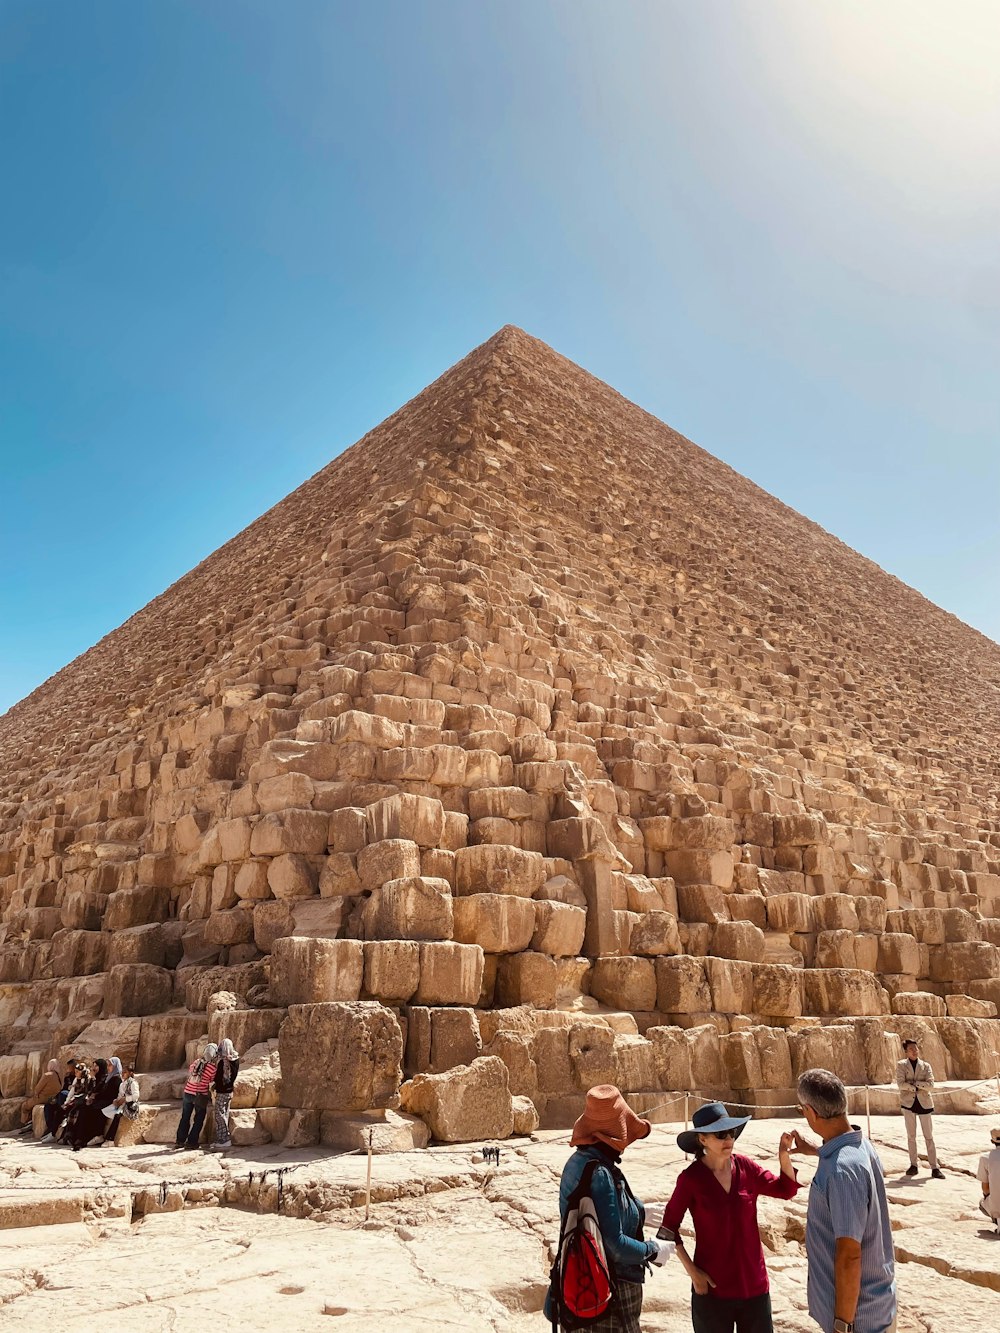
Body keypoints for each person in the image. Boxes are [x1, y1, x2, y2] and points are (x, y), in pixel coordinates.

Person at [658, 1101, 799, 1333]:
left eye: (731, 1133)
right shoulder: (690, 1179)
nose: (728, 1140)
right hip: (712, 1290)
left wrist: (783, 1154)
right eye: (720, 1134)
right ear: (702, 1139)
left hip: (754, 1286)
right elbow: (667, 1229)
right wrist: (694, 1274)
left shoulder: (745, 1167)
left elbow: (785, 1190)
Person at [547, 1084, 671, 1332]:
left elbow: (600, 1213)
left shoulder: (578, 1162)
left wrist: (640, 1212)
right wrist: (652, 1250)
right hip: (608, 1290)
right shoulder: (599, 1173)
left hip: (581, 1283)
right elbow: (615, 1246)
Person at [796, 1068, 896, 1333]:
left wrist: (843, 1325)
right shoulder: (862, 1146)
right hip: (876, 1307)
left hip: (858, 1321)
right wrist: (819, 1151)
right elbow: (846, 1162)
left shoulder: (841, 1172)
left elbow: (849, 1256)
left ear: (811, 1112)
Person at [895, 1039, 943, 1179]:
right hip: (909, 1104)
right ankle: (913, 1165)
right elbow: (900, 1083)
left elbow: (931, 1085)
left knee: (929, 1137)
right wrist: (916, 1087)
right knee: (911, 1137)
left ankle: (935, 1167)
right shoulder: (901, 1065)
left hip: (925, 1104)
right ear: (906, 1051)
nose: (914, 1051)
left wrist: (914, 1084)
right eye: (911, 1049)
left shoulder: (926, 1066)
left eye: (916, 1049)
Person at [66, 1057, 121, 1151]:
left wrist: (95, 1095)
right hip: (100, 1100)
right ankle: (77, 1137)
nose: (108, 1067)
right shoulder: (108, 1077)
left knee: (88, 1109)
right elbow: (93, 1090)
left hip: (108, 1101)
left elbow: (109, 1094)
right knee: (83, 1108)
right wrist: (93, 1083)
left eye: (110, 1065)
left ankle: (83, 1138)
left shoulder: (116, 1079)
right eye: (108, 1065)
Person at [174, 1044, 218, 1149]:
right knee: (198, 1119)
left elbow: (190, 1073)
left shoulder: (195, 1062)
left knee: (185, 1117)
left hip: (188, 1093)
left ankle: (180, 1141)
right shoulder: (212, 1068)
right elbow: (212, 1081)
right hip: (200, 1095)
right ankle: (191, 1142)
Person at [18, 1060, 62, 1135]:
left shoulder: (47, 1075)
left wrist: (35, 1094)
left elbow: (37, 1088)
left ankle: (24, 1125)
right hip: (53, 1098)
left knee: (24, 1106)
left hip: (42, 1098)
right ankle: (31, 1122)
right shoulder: (58, 1076)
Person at [211, 1039, 239, 1150]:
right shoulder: (236, 1059)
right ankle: (222, 1138)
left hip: (222, 1091)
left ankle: (224, 1140)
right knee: (224, 1114)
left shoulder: (224, 1062)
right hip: (229, 1091)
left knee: (219, 1115)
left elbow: (218, 1078)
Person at [42, 1061, 81, 1141]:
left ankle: (63, 1114)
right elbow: (64, 1088)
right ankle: (51, 1128)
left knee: (63, 1095)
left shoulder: (80, 1078)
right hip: (64, 1098)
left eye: (70, 1068)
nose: (68, 1070)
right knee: (48, 1106)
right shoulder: (67, 1078)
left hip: (72, 1099)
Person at [103, 1062, 140, 1144]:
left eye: (125, 1072)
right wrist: (116, 1101)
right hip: (122, 1105)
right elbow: (119, 1095)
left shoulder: (133, 1083)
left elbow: (136, 1096)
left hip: (130, 1106)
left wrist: (125, 1099)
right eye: (122, 1072)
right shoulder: (122, 1084)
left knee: (117, 1115)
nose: (123, 1074)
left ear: (130, 1073)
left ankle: (110, 1139)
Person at [976, 1126, 1000, 1234]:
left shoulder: (986, 1158)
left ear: (992, 1141)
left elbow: (985, 1188)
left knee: (983, 1202)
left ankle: (998, 1221)